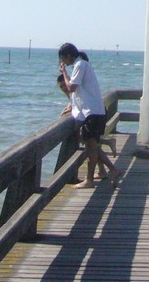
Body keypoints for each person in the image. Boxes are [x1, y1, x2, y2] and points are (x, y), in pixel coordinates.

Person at [58, 42, 121, 189]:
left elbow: (72, 87)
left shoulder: (80, 65)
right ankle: (111, 170)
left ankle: (90, 180)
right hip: (95, 112)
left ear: (68, 56)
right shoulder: (84, 65)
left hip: (91, 113)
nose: (63, 62)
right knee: (91, 145)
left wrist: (64, 73)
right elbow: (82, 92)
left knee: (91, 149)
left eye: (63, 58)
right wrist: (72, 106)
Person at [56, 74, 117, 176]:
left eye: (64, 85)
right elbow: (75, 102)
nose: (64, 88)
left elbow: (79, 101)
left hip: (95, 115)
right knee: (91, 143)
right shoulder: (72, 91)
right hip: (97, 113)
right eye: (61, 87)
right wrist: (69, 107)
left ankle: (111, 167)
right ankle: (102, 170)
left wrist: (71, 108)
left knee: (90, 143)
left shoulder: (74, 89)